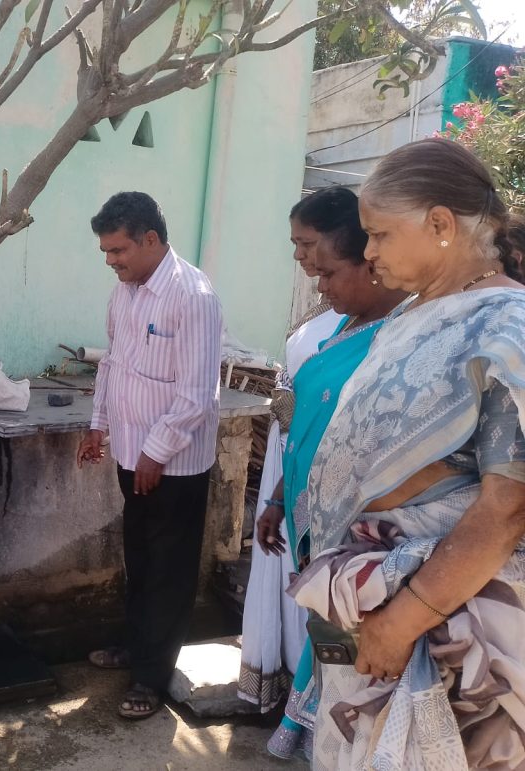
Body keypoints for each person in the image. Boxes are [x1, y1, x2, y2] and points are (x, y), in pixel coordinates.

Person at [289, 137, 525, 769]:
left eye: (380, 235)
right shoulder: (409, 317)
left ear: (441, 225)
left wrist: (403, 621)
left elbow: (508, 506)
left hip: (450, 629)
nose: (368, 252)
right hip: (371, 609)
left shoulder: (507, 328)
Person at [247, 191, 407, 760]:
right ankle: (313, 720)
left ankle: (331, 733)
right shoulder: (342, 326)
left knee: (351, 639)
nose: (318, 285)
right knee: (325, 627)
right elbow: (306, 432)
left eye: (328, 272)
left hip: (358, 526)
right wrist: (277, 499)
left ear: (371, 264)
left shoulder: (399, 338)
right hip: (308, 513)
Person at [77, 191, 223, 720]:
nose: (111, 261)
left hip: (174, 464)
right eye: (106, 252)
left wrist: (156, 453)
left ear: (151, 240)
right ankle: (136, 647)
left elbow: (198, 394)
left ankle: (151, 678)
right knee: (138, 558)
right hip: (130, 454)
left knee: (169, 569)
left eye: (118, 250)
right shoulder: (126, 292)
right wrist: (98, 424)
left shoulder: (193, 295)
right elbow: (113, 363)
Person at [238, 188, 348, 716]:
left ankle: (317, 709)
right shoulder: (329, 306)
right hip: (291, 462)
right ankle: (281, 686)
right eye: (295, 245)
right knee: (286, 574)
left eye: (307, 243)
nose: (300, 257)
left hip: (329, 474)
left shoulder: (370, 316)